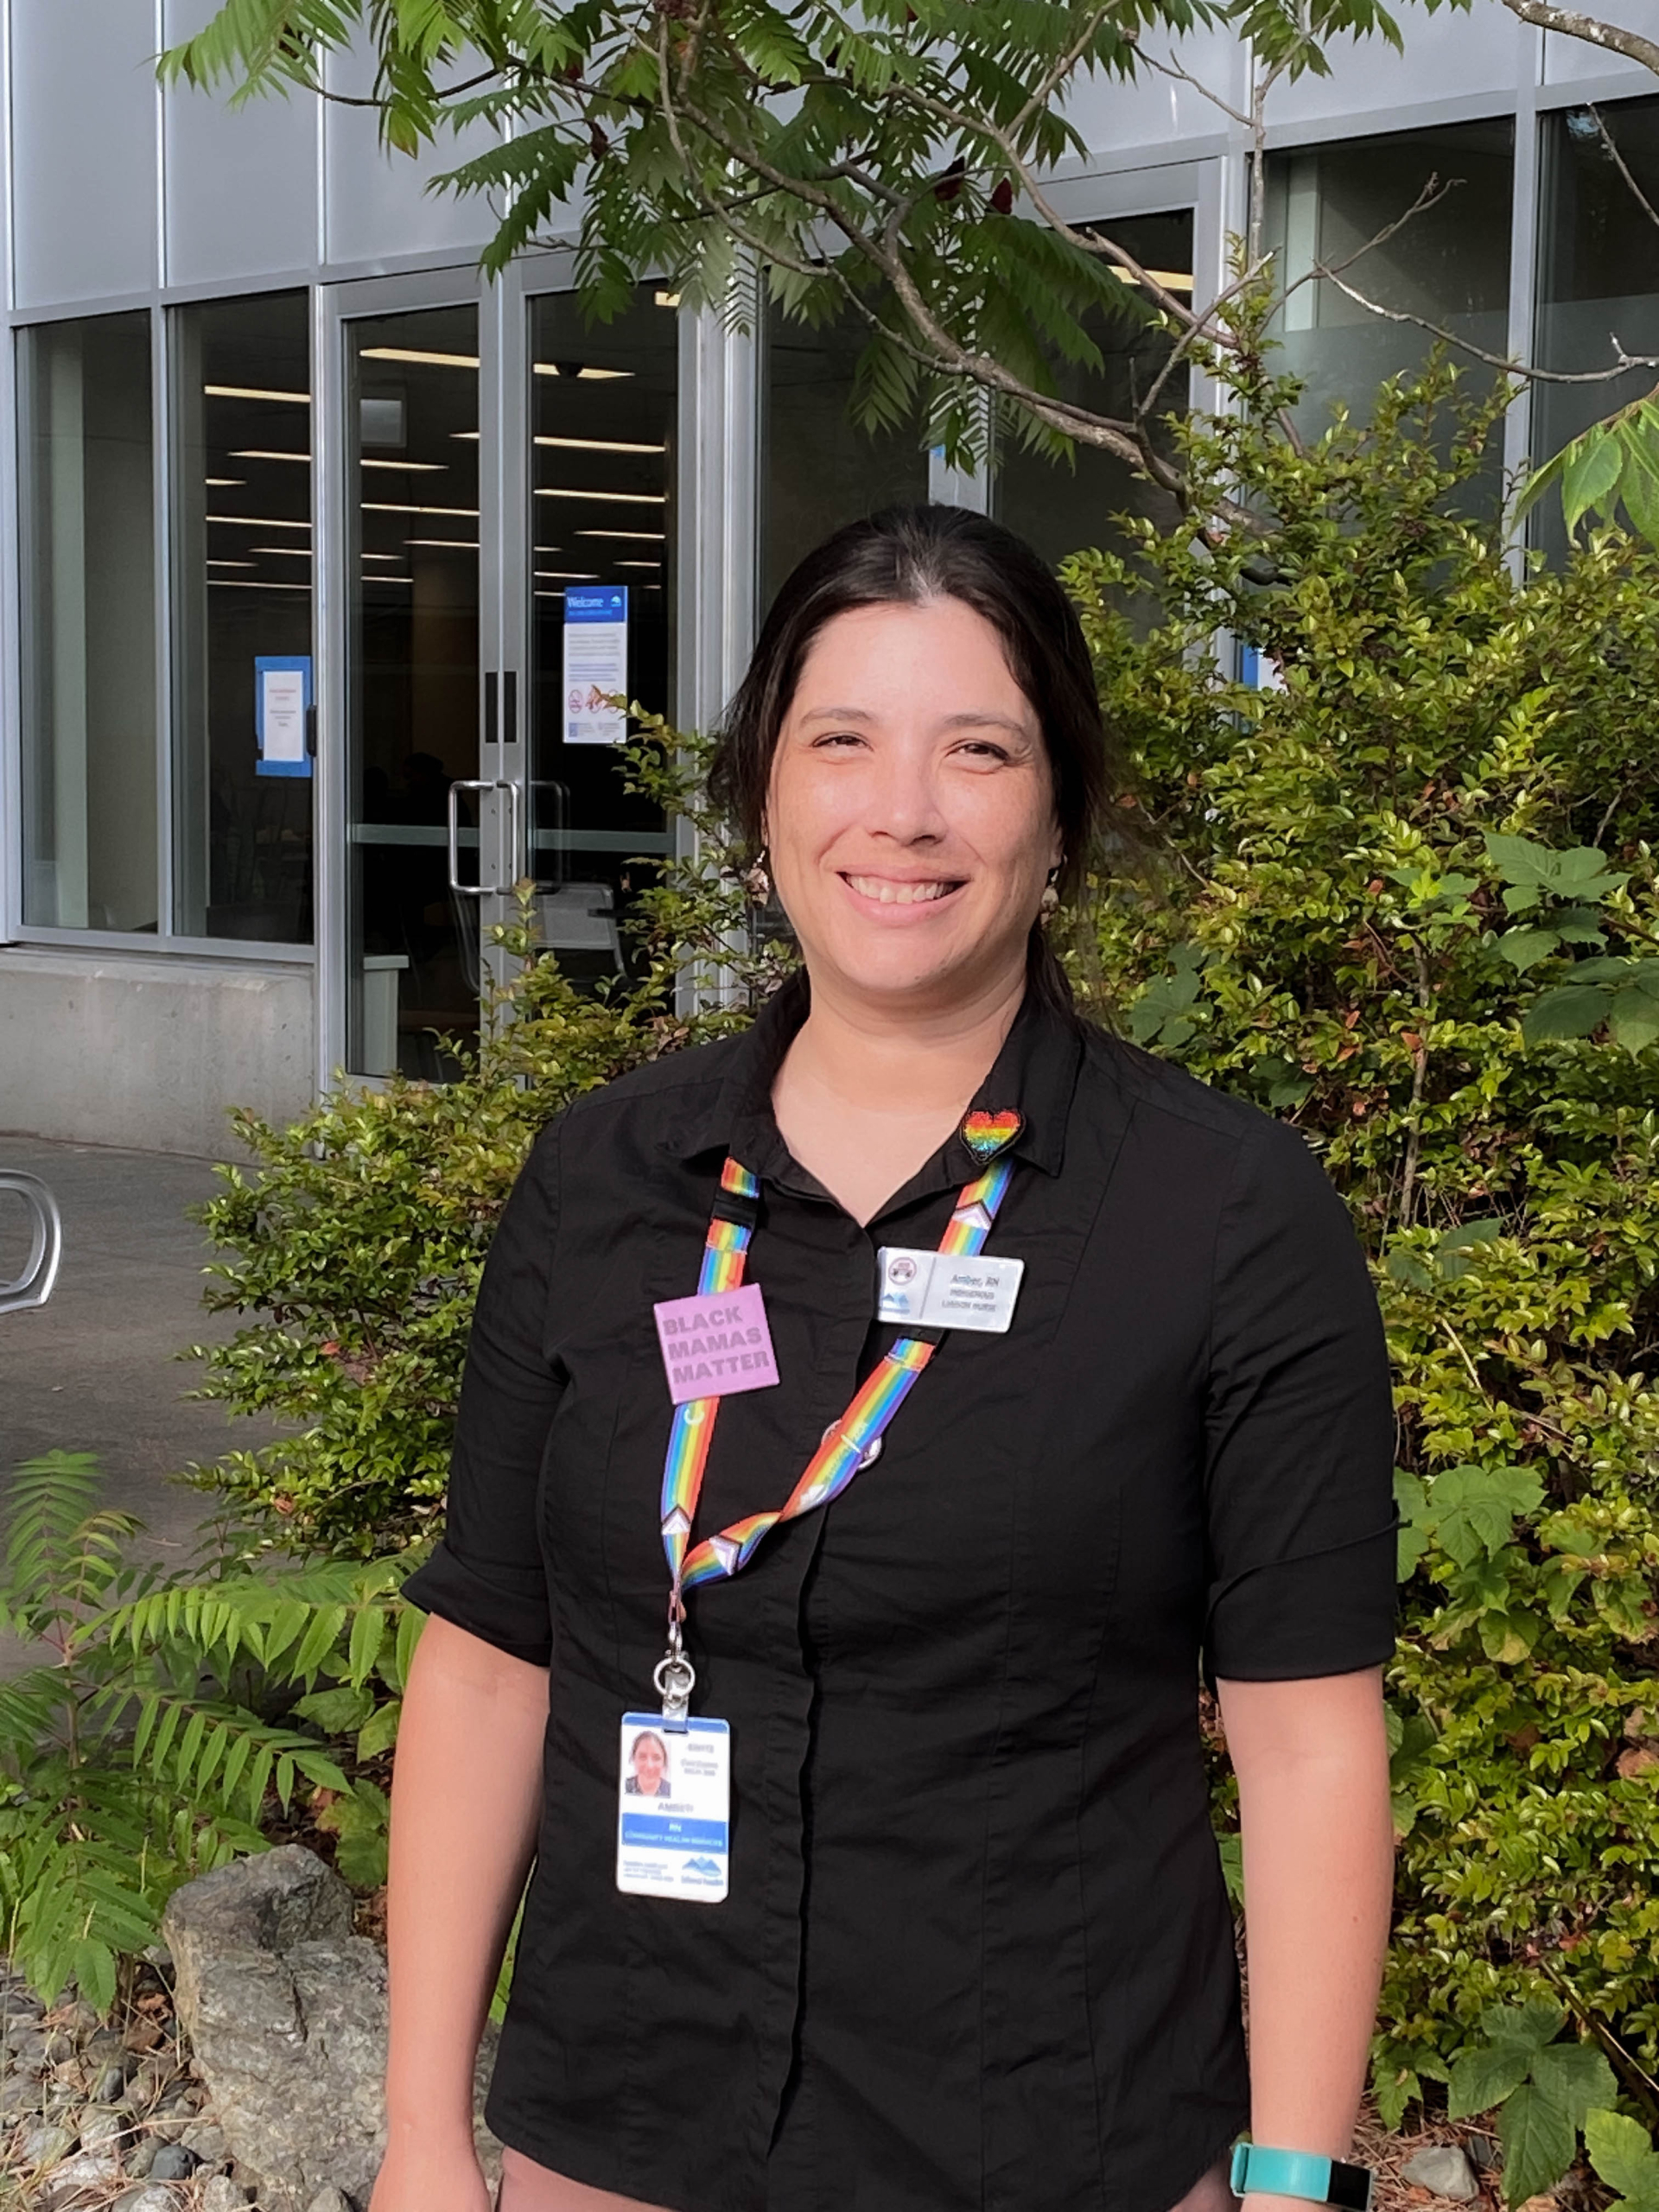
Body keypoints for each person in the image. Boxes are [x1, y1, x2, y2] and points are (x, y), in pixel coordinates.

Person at [374, 505, 1398, 2212]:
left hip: (1050, 2136)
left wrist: (1292, 2180)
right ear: (763, 796)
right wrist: (423, 2134)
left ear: (1060, 810)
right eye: (841, 739)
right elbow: (489, 1660)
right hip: (624, 2120)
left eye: (977, 750)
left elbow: (1305, 1741)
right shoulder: (601, 1178)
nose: (902, 810)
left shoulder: (1223, 1210)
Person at [624, 1732, 671, 1797]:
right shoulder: (623, 1787)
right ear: (634, 1759)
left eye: (656, 1758)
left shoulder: (671, 1791)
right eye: (642, 1757)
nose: (649, 1766)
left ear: (664, 1761)